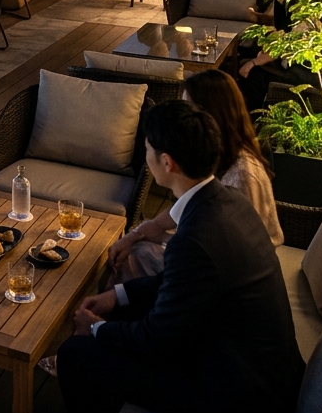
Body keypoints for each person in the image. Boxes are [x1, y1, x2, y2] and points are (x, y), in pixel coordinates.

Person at [57, 100, 304, 413]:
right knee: (120, 318)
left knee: (74, 353)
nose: (146, 157)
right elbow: (181, 285)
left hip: (234, 405)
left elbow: (157, 339)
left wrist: (96, 327)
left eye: (147, 151)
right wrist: (118, 296)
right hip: (255, 372)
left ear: (167, 163)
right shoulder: (228, 201)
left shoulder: (197, 237)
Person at [107, 71, 283, 282]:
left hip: (235, 271)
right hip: (210, 248)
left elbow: (233, 247)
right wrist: (140, 233)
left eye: (187, 108)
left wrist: (159, 238)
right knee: (134, 245)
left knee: (134, 257)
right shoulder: (212, 157)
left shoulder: (242, 174)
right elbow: (185, 207)